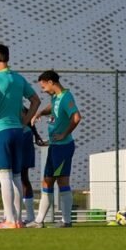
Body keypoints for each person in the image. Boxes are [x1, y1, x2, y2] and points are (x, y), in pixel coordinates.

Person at [0, 44, 40, 228]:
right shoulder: (19, 79)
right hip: (18, 131)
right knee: (16, 176)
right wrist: (25, 121)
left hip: (1, 131)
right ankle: (18, 219)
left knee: (4, 175)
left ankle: (10, 220)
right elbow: (35, 100)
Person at [31, 70, 82, 228]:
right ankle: (39, 221)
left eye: (44, 86)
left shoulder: (67, 97)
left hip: (63, 147)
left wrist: (65, 134)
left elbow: (76, 117)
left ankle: (66, 221)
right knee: (47, 182)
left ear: (51, 82)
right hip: (55, 147)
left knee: (61, 182)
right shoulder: (55, 98)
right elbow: (51, 107)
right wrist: (40, 113)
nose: (43, 89)